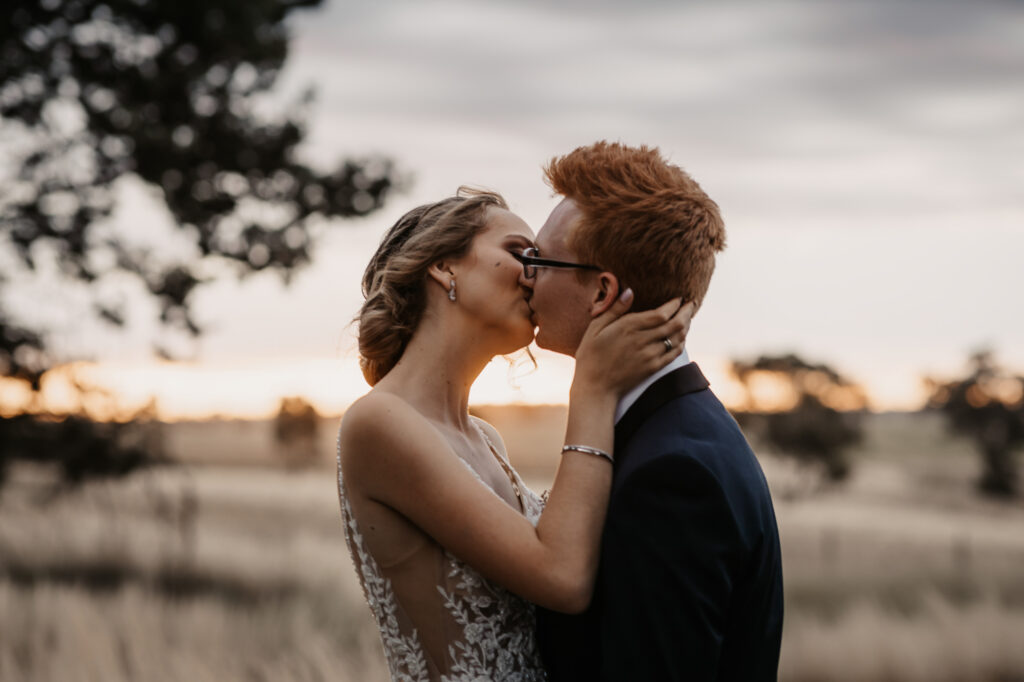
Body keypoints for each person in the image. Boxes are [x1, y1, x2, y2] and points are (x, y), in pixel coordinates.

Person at [337, 187, 693, 680]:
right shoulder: (379, 423)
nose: (536, 273)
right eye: (520, 253)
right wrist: (591, 387)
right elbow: (563, 578)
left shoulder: (486, 439)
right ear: (445, 267)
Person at [529, 141, 784, 681]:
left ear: (602, 292)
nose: (526, 275)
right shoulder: (682, 428)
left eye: (540, 259)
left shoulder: (674, 476)